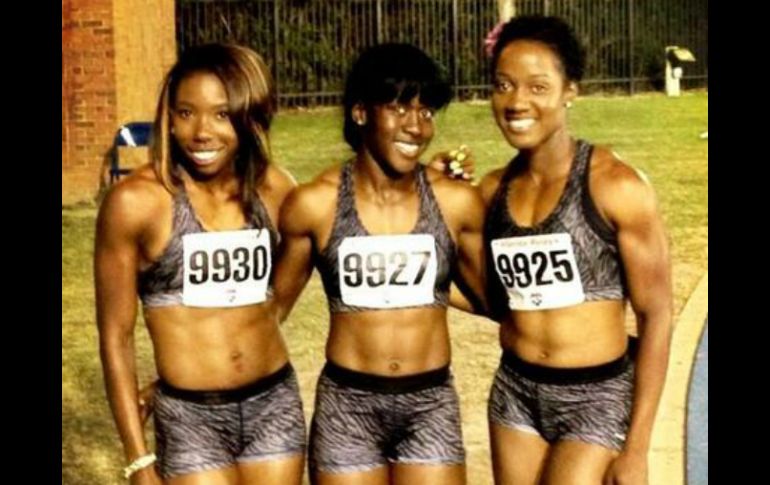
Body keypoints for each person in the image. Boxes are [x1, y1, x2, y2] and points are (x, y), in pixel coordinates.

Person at [271, 43, 487, 485]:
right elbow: (269, 313)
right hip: (347, 407)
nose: (416, 125)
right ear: (360, 112)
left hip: (429, 405)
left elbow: (498, 301)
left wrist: (434, 288)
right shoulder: (314, 205)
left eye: (426, 111)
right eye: (398, 107)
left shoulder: (455, 203)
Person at [95, 44, 307, 484]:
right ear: (169, 118)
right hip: (190, 418)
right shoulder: (135, 203)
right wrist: (138, 460)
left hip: (274, 404)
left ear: (249, 114)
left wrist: (434, 178)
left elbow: (311, 255)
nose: (201, 132)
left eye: (222, 114)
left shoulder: (275, 189)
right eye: (186, 113)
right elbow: (115, 337)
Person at [479, 16, 673, 485]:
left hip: (596, 398)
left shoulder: (615, 187)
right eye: (504, 85)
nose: (516, 102)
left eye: (537, 86)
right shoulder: (490, 192)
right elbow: (489, 293)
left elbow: (657, 315)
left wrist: (637, 449)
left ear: (570, 91)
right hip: (515, 394)